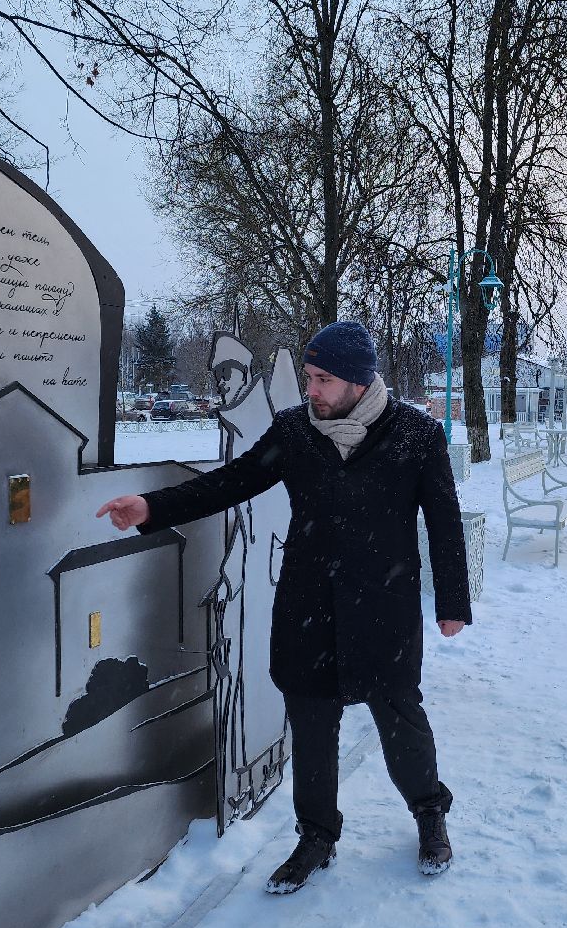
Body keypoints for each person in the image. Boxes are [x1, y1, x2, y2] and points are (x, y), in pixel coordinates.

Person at [97, 320, 472, 893]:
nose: (312, 389)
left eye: (324, 379)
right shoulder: (296, 432)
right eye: (309, 376)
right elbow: (232, 483)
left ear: (357, 380)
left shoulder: (416, 435)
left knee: (401, 724)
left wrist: (452, 602)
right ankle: (316, 836)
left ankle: (428, 812)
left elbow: (444, 523)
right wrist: (151, 507)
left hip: (383, 609)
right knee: (312, 727)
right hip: (308, 606)